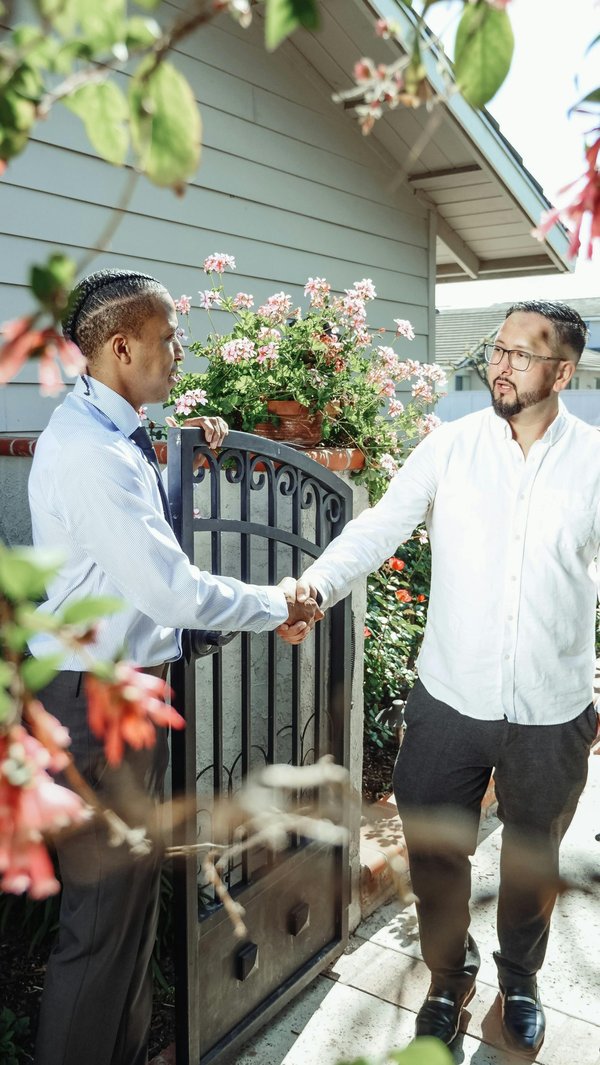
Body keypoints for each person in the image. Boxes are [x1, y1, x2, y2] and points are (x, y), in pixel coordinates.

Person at [280, 300, 600, 1054]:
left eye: (525, 354)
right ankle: (447, 976)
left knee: (531, 859)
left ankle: (519, 977)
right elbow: (378, 526)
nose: (502, 363)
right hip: (449, 700)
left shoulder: (593, 460)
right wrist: (314, 588)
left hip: (553, 712)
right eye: (499, 348)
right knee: (433, 854)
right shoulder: (450, 448)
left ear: (563, 370)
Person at [29, 268, 318, 1065]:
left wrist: (194, 440)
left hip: (118, 696)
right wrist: (278, 601)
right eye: (169, 340)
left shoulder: (114, 427)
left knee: (127, 921)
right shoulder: (92, 453)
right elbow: (170, 588)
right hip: (98, 707)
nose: (182, 353)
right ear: (121, 346)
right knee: (100, 931)